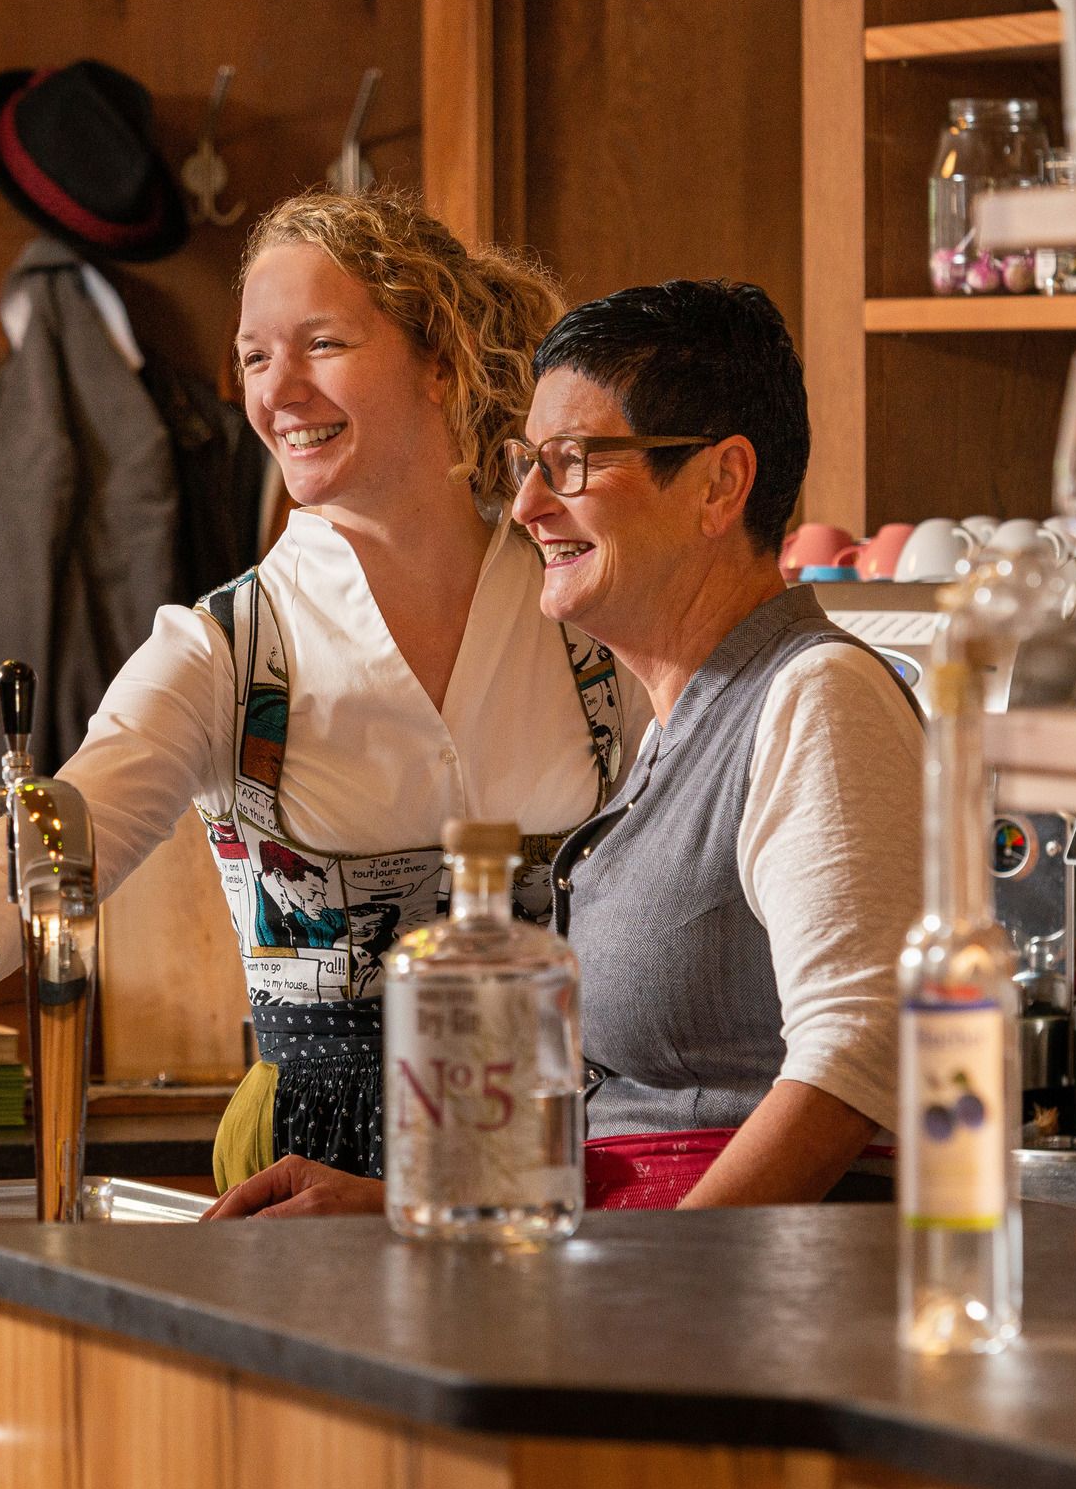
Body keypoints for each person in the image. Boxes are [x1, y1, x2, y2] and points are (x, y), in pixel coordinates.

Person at [0, 190, 627, 1202]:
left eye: (321, 343)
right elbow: (68, 826)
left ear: (441, 361)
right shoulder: (224, 649)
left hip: (566, 1150)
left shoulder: (586, 619)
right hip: (318, 1163)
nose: (278, 390)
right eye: (252, 357)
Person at [216, 281, 922, 1219]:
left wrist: (649, 1280)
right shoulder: (672, 727)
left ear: (720, 483)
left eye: (572, 463)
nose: (527, 506)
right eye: (527, 464)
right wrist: (405, 1210)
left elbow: (858, 1053)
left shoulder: (815, 696)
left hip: (730, 1286)